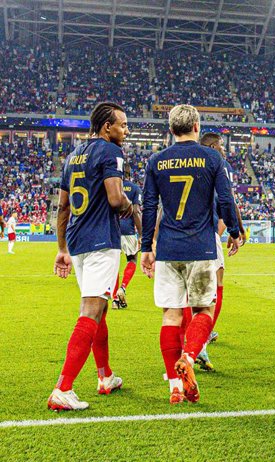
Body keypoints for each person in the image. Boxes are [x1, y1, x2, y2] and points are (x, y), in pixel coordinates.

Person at [140, 105, 241, 405]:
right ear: (197, 126)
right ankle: (188, 355)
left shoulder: (156, 161)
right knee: (203, 311)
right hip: (201, 246)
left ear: (171, 129)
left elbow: (148, 207)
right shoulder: (212, 157)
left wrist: (147, 247)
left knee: (171, 316)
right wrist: (235, 231)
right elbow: (225, 199)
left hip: (169, 248)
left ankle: (174, 385)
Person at [48, 102, 133, 411]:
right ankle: (63, 387)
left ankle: (105, 376)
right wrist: (131, 209)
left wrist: (61, 249)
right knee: (90, 311)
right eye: (122, 125)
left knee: (100, 310)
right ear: (106, 127)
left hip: (78, 240)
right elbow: (114, 198)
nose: (125, 130)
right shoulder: (111, 152)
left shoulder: (72, 156)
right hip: (101, 241)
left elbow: (63, 207)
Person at [195, 131, 246, 371]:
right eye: (222, 147)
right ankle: (199, 342)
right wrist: (236, 232)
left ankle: (197, 336)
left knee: (190, 291)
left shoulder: (191, 160)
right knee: (215, 286)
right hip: (207, 233)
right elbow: (228, 199)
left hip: (180, 235)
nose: (225, 151)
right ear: (215, 146)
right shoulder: (219, 163)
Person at [112, 164, 142, 309]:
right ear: (131, 173)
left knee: (114, 265)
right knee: (132, 259)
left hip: (113, 230)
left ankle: (115, 299)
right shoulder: (135, 189)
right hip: (128, 230)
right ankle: (122, 288)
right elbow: (136, 211)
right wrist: (142, 235)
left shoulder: (112, 186)